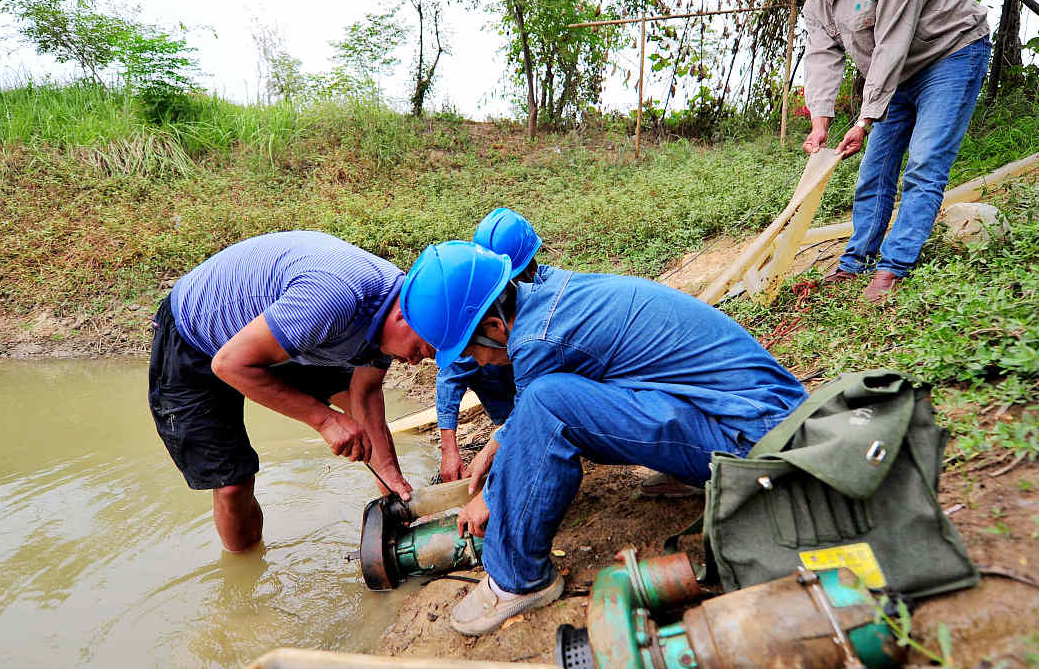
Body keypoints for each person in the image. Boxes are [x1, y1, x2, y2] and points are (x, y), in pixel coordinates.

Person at [400, 241, 808, 634]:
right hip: (762, 412)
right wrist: (496, 450)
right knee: (552, 402)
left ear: (493, 325)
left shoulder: (536, 341)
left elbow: (536, 413)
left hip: (754, 440)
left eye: (471, 352)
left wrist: (489, 499)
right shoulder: (550, 297)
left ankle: (516, 579)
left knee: (549, 404)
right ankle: (690, 471)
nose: (476, 362)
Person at [148, 231, 431, 552]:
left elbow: (364, 395)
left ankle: (395, 509)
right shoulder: (332, 300)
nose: (413, 362)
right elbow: (229, 365)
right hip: (194, 339)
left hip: (274, 331)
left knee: (353, 407)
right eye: (421, 350)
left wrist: (391, 479)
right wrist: (325, 421)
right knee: (232, 486)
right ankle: (246, 572)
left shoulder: (398, 302)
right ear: (401, 318)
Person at [775, 0, 992, 302]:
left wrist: (864, 119)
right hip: (895, 76)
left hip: (951, 55)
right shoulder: (818, 1)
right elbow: (822, 57)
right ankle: (855, 261)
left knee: (925, 163)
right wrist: (820, 120)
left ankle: (894, 266)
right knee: (874, 172)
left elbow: (893, 40)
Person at [435, 208, 560, 482]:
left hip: (548, 387)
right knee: (479, 359)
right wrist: (449, 449)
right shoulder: (484, 311)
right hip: (511, 385)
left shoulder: (550, 296)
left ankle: (525, 434)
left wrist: (491, 451)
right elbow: (452, 372)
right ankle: (510, 426)